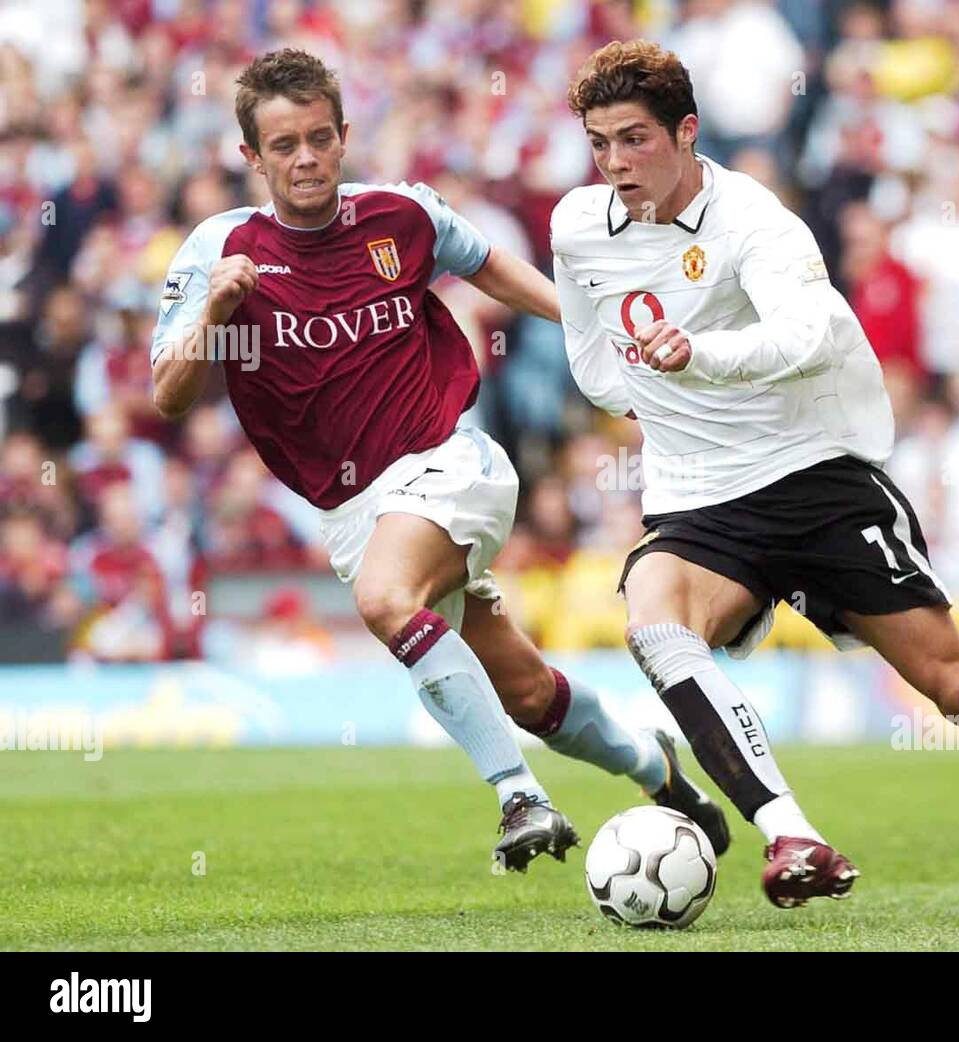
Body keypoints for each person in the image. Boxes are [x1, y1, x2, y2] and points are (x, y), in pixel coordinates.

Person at [551, 39, 959, 916]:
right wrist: (643, 389)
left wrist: (693, 354)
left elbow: (802, 336)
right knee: (654, 620)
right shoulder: (577, 226)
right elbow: (593, 364)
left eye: (634, 139)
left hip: (814, 477)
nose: (616, 164)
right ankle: (792, 834)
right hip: (699, 497)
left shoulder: (758, 223)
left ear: (687, 131)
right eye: (600, 143)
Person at [150, 48, 728, 873]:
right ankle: (662, 773)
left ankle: (519, 797)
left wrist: (600, 336)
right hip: (355, 513)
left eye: (320, 137)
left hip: (450, 462)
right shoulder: (219, 252)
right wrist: (214, 310)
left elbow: (492, 268)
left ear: (345, 136)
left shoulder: (400, 215)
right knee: (528, 694)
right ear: (252, 156)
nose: (306, 157)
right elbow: (168, 394)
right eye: (284, 146)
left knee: (388, 601)